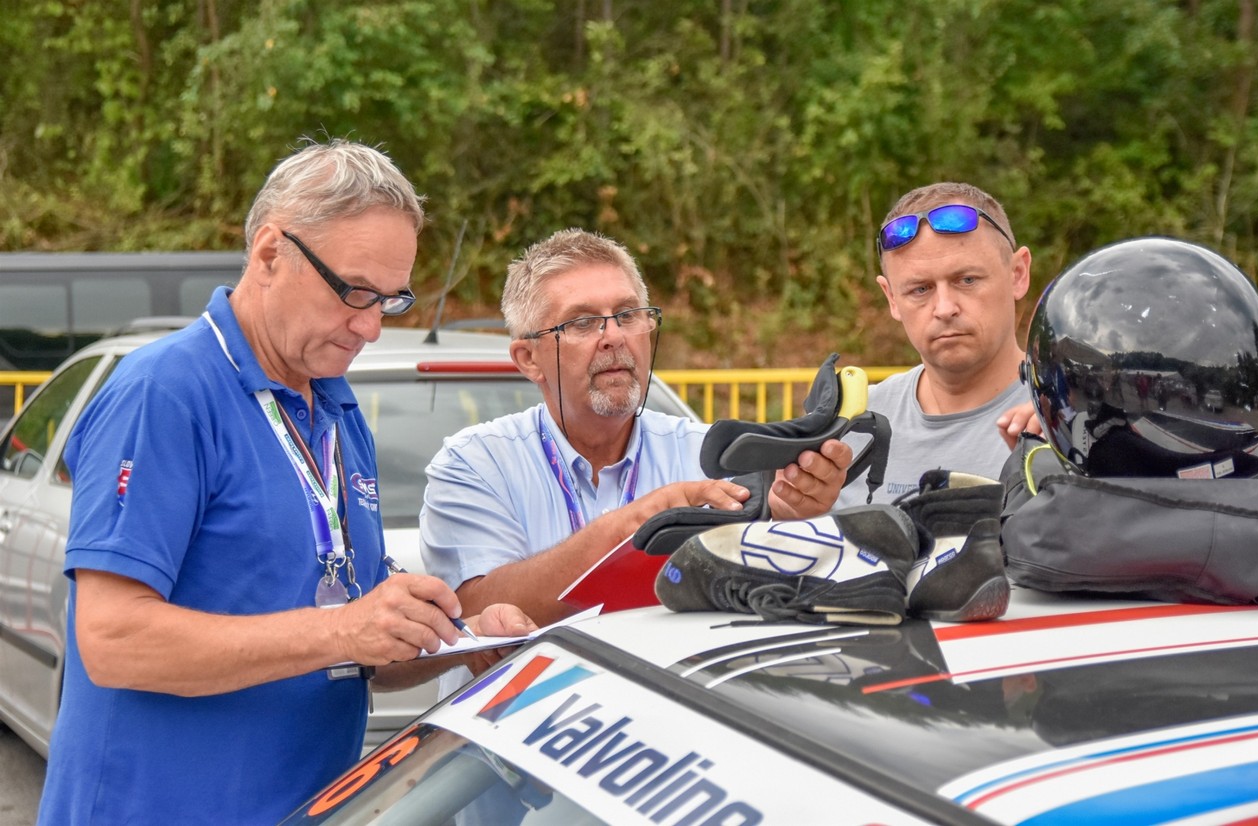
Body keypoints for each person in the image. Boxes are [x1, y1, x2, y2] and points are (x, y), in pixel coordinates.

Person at [37, 139, 533, 826]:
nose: (370, 327)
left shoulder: (336, 409)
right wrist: (343, 630)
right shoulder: (165, 393)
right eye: (354, 292)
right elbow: (113, 641)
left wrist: (459, 637)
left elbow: (357, 648)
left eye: (389, 301)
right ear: (271, 253)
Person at [420, 228, 854, 628]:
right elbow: (473, 613)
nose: (614, 336)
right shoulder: (475, 464)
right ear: (529, 359)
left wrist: (788, 520)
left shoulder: (710, 456)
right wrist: (637, 523)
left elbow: (773, 600)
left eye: (627, 315)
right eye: (582, 322)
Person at [839, 182, 1039, 506]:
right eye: (920, 289)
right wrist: (785, 509)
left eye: (967, 280)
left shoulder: (1071, 424)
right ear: (891, 298)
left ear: (1018, 274)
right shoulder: (849, 428)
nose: (945, 308)